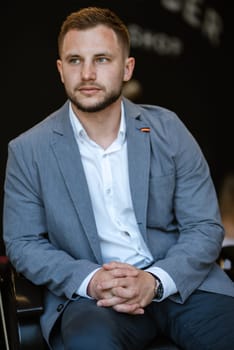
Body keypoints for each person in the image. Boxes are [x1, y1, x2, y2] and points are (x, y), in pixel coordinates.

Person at [3, 6, 234, 350]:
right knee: (89, 342)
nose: (87, 74)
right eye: (75, 60)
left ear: (127, 68)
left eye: (102, 59)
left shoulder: (168, 130)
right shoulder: (28, 150)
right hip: (93, 299)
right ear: (60, 70)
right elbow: (23, 243)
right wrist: (92, 280)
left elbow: (204, 226)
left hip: (180, 283)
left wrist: (154, 281)